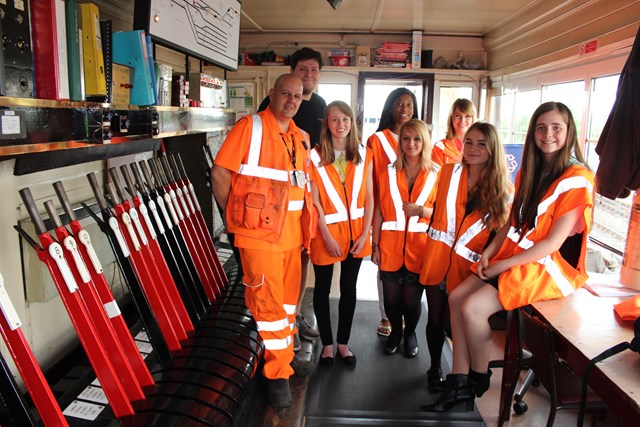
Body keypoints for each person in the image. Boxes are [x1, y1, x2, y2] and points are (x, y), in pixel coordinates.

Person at [421, 102, 595, 412]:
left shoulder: (577, 177)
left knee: (473, 309)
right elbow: (513, 223)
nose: (548, 134)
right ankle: (458, 380)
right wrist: (489, 253)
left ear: (569, 133)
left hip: (543, 265)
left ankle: (477, 376)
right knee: (456, 298)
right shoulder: (532, 168)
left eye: (557, 128)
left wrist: (502, 264)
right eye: (541, 127)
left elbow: (552, 243)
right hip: (514, 254)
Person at [211, 74, 318, 407]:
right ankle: (277, 375)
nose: (291, 100)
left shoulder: (302, 137)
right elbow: (220, 173)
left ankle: (283, 359)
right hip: (258, 238)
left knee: (287, 307)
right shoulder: (250, 127)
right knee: (269, 308)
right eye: (285, 93)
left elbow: (303, 187)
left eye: (297, 96)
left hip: (292, 238)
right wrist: (236, 221)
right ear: (272, 94)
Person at [419, 122, 511, 393]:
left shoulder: (502, 190)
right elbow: (437, 212)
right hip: (437, 258)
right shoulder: (448, 172)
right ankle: (436, 368)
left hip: (469, 268)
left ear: (493, 149)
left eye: (481, 144)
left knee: (454, 323)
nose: (473, 149)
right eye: (468, 142)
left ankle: (466, 376)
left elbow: (500, 235)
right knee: (435, 319)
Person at [258, 47, 327, 349]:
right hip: (273, 207)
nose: (308, 75)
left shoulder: (322, 105)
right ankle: (273, 330)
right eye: (303, 70)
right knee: (273, 272)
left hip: (305, 201)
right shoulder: (269, 106)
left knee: (301, 263)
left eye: (313, 70)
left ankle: (294, 318)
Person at [309, 101, 374, 365]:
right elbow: (314, 203)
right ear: (326, 124)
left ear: (352, 123)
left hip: (357, 234)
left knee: (349, 288)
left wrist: (364, 234)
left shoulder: (364, 154)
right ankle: (326, 344)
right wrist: (326, 236)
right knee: (322, 288)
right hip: (326, 235)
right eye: (335, 120)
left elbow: (371, 199)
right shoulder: (313, 157)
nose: (341, 125)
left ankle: (343, 344)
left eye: (345, 119)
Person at [371, 119, 437, 358]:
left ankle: (410, 333)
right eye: (406, 139)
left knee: (411, 302)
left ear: (424, 141)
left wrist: (421, 211)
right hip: (389, 246)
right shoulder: (387, 171)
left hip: (420, 249)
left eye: (417, 139)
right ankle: (396, 334)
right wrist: (375, 245)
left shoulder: (437, 174)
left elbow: (444, 214)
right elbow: (378, 210)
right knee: (391, 301)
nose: (411, 144)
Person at [367, 88, 419, 337]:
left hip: (412, 214)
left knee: (409, 270)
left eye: (409, 104)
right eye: (399, 103)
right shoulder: (377, 140)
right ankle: (386, 316)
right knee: (385, 266)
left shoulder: (419, 139)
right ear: (390, 107)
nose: (404, 108)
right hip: (384, 209)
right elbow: (370, 178)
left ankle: (405, 321)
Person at [432, 98, 477, 166]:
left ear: (473, 119)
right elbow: (436, 175)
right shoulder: (440, 147)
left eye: (467, 116)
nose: (462, 121)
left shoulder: (482, 147)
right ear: (451, 118)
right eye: (458, 116)